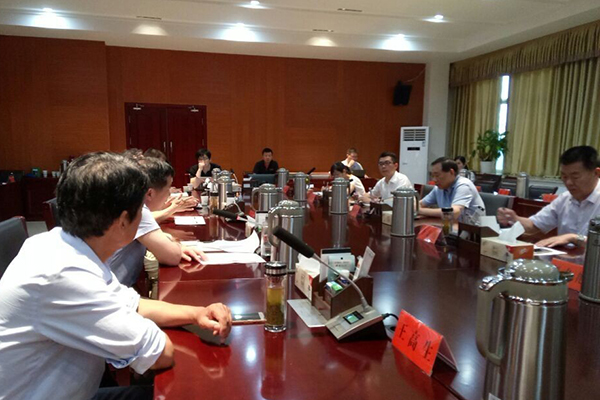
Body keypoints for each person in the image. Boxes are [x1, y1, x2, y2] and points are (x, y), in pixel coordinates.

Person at [0, 152, 231, 400]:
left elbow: (134, 304)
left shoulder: (58, 244)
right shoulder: (62, 274)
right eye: (141, 210)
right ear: (122, 222)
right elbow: (160, 354)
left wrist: (197, 313)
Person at [108, 156, 205, 287]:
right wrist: (176, 247)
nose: (169, 195)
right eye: (168, 189)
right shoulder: (137, 210)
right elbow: (172, 256)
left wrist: (173, 244)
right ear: (150, 194)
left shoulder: (127, 202)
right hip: (112, 293)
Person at [497, 145, 600, 247]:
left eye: (575, 177)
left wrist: (573, 238)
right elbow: (534, 225)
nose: (568, 182)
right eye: (564, 177)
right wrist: (514, 218)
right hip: (565, 256)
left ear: (596, 173)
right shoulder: (564, 199)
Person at [419, 157, 486, 224]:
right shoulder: (439, 188)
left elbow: (453, 213)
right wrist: (415, 204)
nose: (434, 180)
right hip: (450, 226)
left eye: (437, 175)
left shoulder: (463, 185)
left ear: (451, 172)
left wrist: (419, 211)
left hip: (471, 228)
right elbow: (420, 204)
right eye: (432, 176)